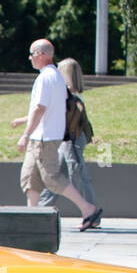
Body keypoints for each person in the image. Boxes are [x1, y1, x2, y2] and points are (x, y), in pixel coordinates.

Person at [12, 39, 100, 230]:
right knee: (30, 179)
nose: (30, 58)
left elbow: (40, 108)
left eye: (32, 53)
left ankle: (88, 208)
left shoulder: (47, 78)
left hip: (44, 139)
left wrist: (25, 134)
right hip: (40, 137)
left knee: (52, 179)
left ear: (42, 55)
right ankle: (31, 219)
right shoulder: (54, 77)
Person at [36, 57, 96, 213]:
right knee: (56, 174)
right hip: (69, 138)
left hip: (71, 139)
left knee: (76, 173)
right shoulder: (72, 95)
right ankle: (41, 209)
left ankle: (91, 211)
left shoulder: (71, 97)